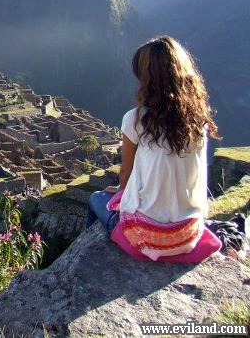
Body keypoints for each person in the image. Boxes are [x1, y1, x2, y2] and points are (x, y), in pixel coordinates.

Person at [86, 36, 221, 261]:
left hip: (146, 238)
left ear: (147, 78)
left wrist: (121, 193)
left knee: (96, 199)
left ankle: (90, 262)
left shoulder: (136, 119)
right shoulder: (199, 122)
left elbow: (126, 173)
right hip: (188, 235)